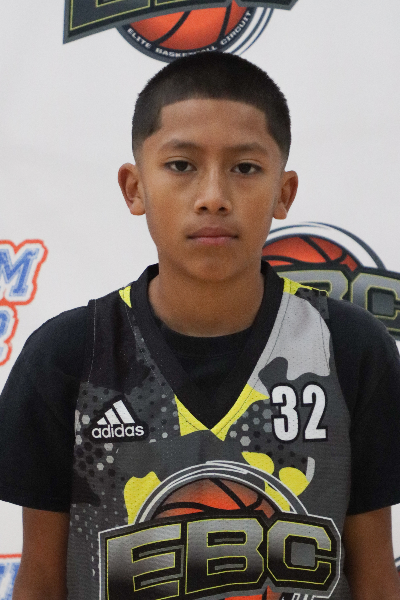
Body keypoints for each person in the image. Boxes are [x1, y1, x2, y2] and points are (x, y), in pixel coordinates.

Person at [0, 52, 399, 600]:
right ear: (134, 187)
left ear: (283, 193)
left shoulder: (349, 350)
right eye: (181, 166)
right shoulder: (68, 356)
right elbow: (41, 580)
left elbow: (377, 576)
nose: (213, 197)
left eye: (245, 168)